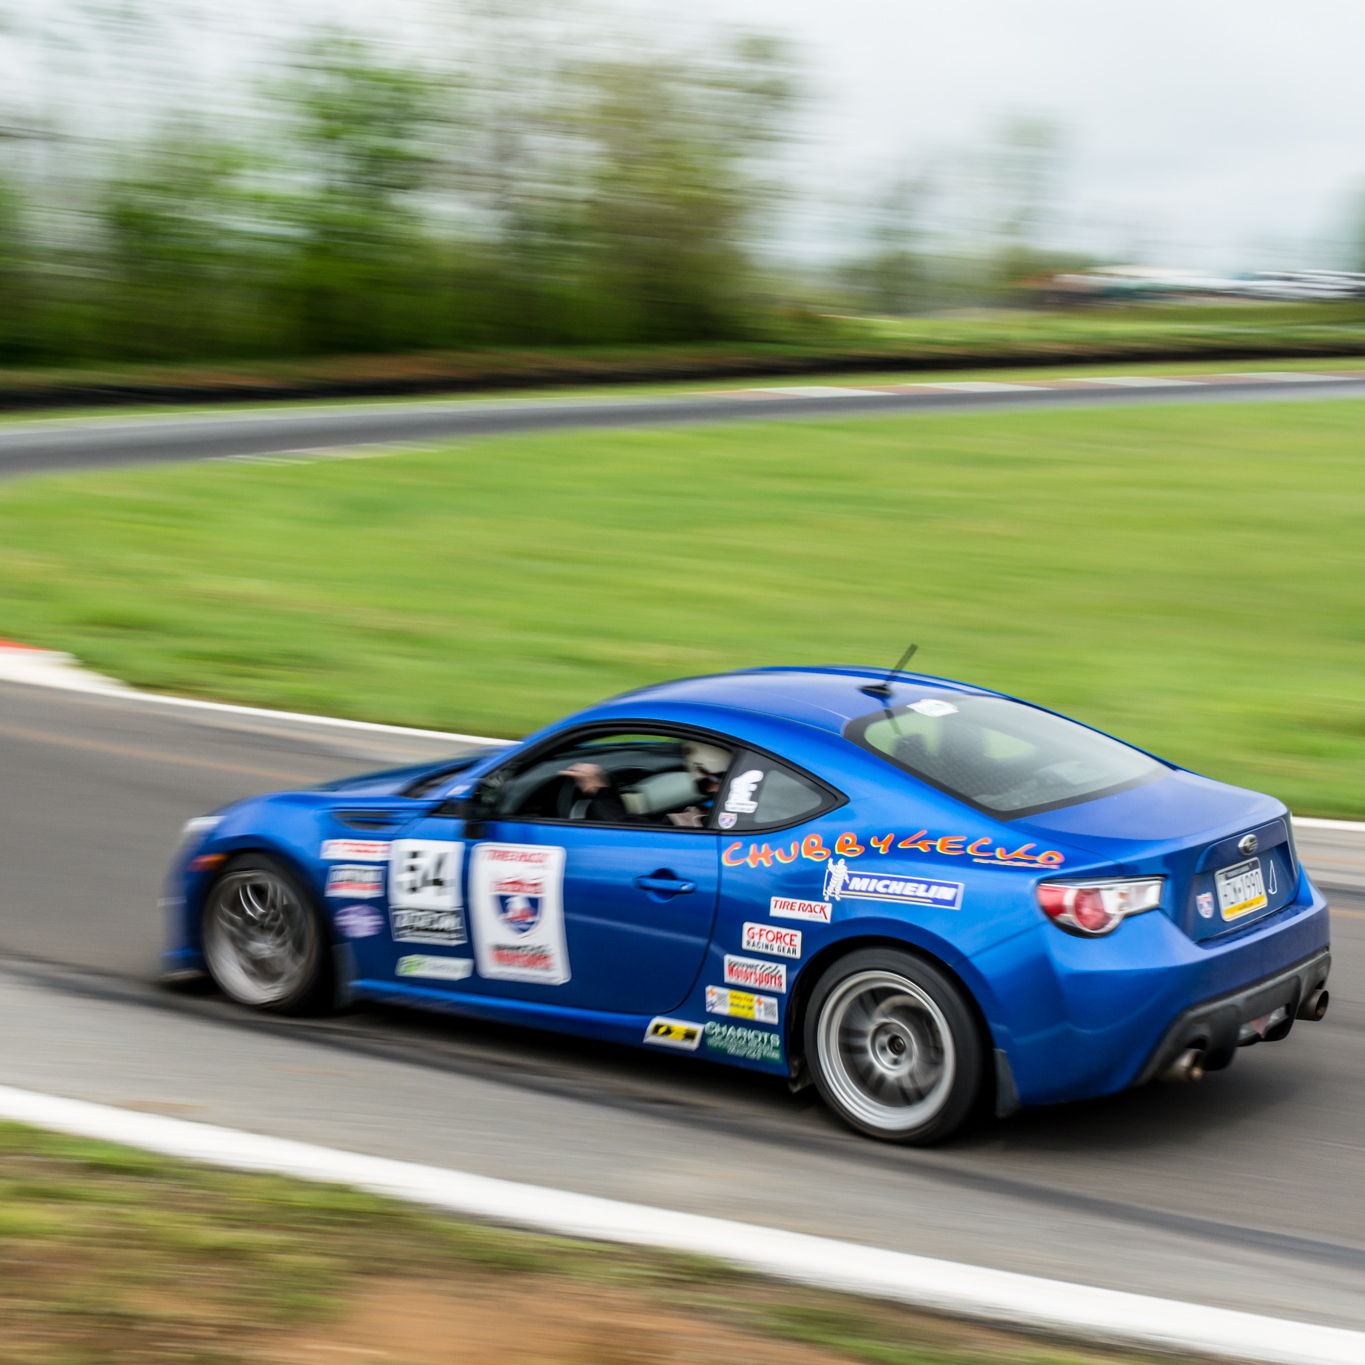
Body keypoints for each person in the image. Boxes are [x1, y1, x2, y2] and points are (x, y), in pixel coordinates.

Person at [560, 741, 731, 826]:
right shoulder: (748, 810)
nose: (713, 788)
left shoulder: (701, 822)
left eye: (716, 780)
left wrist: (599, 791)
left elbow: (629, 835)